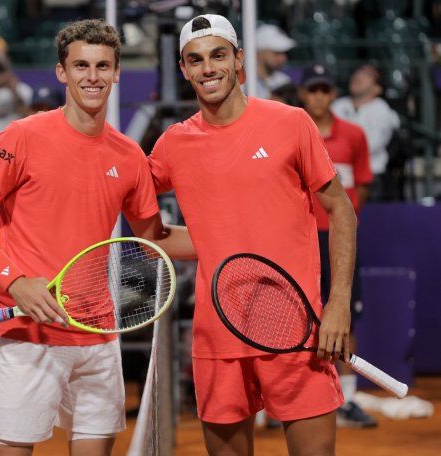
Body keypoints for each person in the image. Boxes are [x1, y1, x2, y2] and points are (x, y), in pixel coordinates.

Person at [0, 19, 193, 456]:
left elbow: (152, 237)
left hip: (97, 339)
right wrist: (15, 280)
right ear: (61, 72)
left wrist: (232, 240)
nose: (93, 76)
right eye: (81, 65)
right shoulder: (22, 136)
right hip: (26, 336)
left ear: (118, 72)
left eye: (103, 66)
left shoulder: (130, 156)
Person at [148, 14, 357, 455]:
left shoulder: (291, 123)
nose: (208, 68)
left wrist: (337, 305)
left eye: (218, 55)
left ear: (239, 60)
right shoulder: (171, 145)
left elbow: (342, 211)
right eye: (196, 60)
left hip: (297, 329)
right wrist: (209, 243)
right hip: (216, 336)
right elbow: (149, 227)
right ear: (183, 70)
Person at [299, 64, 377, 428]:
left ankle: (347, 398)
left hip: (340, 240)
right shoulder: (295, 133)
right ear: (303, 95)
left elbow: (359, 187)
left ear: (333, 94)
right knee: (300, 315)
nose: (318, 97)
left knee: (344, 311)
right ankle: (295, 397)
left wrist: (343, 224)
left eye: (324, 90)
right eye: (312, 90)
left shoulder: (355, 135)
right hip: (302, 239)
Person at [331, 64, 400, 200]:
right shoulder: (337, 106)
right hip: (336, 173)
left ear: (377, 88)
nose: (358, 76)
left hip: (371, 177)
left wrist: (339, 149)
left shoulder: (382, 110)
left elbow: (372, 144)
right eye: (357, 72)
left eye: (367, 74)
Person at [255, 24, 296, 99]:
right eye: (277, 52)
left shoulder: (284, 82)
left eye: (284, 53)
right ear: (260, 51)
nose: (283, 58)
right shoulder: (241, 84)